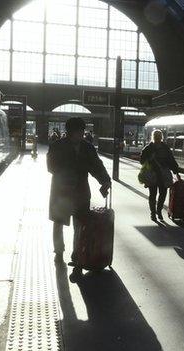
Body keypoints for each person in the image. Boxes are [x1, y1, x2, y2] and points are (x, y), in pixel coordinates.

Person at [47, 118, 111, 279]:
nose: (81, 135)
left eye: (82, 132)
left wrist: (105, 181)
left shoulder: (87, 147)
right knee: (58, 224)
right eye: (78, 132)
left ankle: (77, 261)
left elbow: (96, 165)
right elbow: (51, 167)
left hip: (81, 193)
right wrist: (70, 172)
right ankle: (59, 250)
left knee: (81, 228)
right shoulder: (57, 146)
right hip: (62, 193)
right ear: (69, 132)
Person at [140, 130, 180, 221]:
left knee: (161, 194)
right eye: (156, 136)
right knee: (154, 194)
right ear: (153, 137)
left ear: (161, 137)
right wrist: (150, 159)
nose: (157, 138)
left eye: (159, 136)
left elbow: (171, 161)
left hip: (163, 175)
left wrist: (176, 171)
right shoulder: (149, 148)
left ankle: (158, 211)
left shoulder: (164, 148)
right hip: (153, 174)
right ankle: (153, 213)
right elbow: (142, 161)